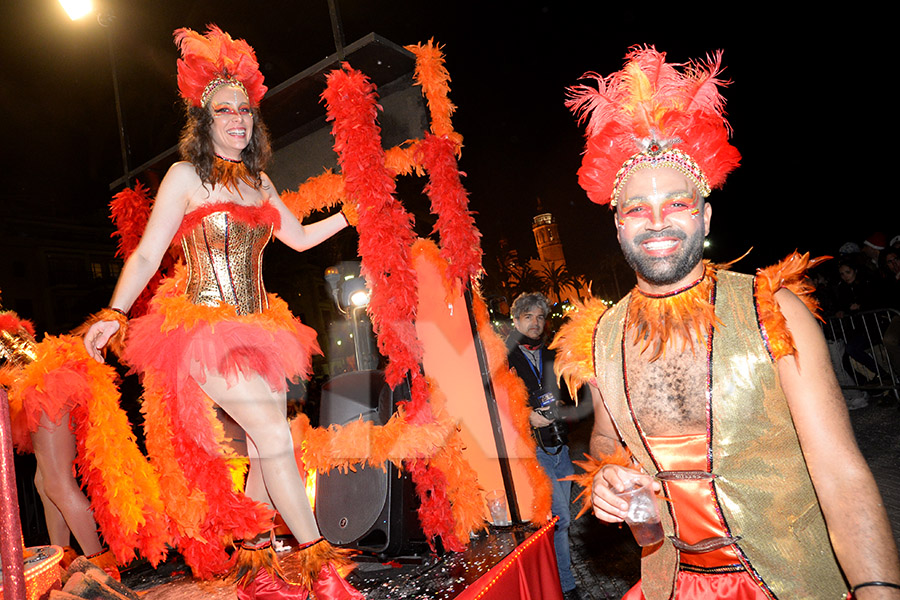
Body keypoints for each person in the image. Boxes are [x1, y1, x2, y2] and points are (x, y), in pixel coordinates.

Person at [554, 46, 900, 599]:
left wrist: (878, 590)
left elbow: (843, 476)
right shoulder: (597, 336)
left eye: (678, 203)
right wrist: (606, 478)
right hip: (668, 585)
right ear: (617, 226)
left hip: (790, 584)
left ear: (706, 214)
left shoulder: (772, 311)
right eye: (637, 209)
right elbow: (603, 439)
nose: (658, 221)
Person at [82, 26, 362, 600]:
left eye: (245, 110)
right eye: (224, 109)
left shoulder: (260, 181)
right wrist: (112, 311)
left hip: (261, 329)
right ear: (204, 120)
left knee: (265, 448)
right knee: (276, 438)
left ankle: (258, 572)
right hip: (200, 329)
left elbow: (301, 239)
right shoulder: (185, 177)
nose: (237, 118)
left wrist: (352, 213)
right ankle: (322, 574)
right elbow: (146, 254)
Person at [506, 292, 582, 600]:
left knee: (558, 525)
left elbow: (566, 389)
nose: (535, 324)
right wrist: (526, 416)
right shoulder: (501, 355)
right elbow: (491, 402)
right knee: (560, 519)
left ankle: (551, 582)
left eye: (540, 317)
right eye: (528, 317)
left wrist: (563, 404)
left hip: (560, 446)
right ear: (515, 320)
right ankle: (565, 587)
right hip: (532, 451)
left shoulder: (552, 352)